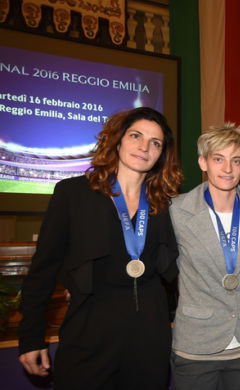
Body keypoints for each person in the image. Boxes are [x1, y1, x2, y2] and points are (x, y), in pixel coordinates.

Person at [17, 107, 183, 390]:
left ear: (161, 154)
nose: (145, 147)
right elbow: (43, 269)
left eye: (155, 143)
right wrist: (31, 337)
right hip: (88, 337)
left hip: (149, 341)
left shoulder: (167, 204)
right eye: (136, 136)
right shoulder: (73, 194)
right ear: (118, 141)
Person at [169, 123, 240, 390]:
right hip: (196, 346)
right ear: (203, 162)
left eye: (235, 160)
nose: (227, 168)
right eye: (218, 159)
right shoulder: (177, 211)